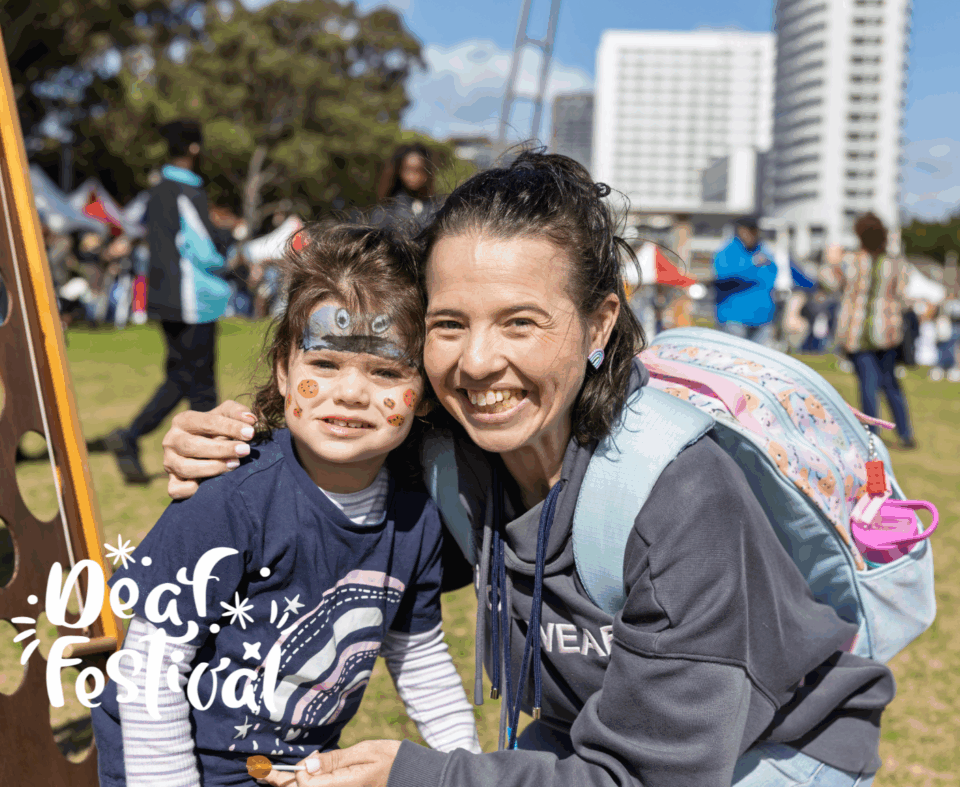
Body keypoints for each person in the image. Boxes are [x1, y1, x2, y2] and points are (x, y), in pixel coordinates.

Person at [160, 152, 893, 787]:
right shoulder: (450, 456)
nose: (478, 362)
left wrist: (421, 775)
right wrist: (238, 446)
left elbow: (646, 777)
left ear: (600, 323)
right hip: (588, 739)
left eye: (520, 322)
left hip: (761, 756)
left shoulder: (682, 500)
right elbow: (329, 477)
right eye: (450, 324)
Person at [91, 223, 481, 787]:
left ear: (423, 393)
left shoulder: (417, 516)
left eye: (386, 372)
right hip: (178, 766)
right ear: (282, 370)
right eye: (324, 364)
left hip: (295, 771)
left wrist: (468, 770)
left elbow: (419, 658)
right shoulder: (230, 497)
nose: (351, 392)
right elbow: (151, 666)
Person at [106, 120, 241, 483]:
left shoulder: (155, 191)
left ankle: (194, 457)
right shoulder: (186, 190)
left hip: (165, 296)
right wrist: (229, 254)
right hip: (193, 297)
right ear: (194, 148)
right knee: (199, 382)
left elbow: (132, 227)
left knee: (186, 378)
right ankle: (137, 437)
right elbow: (205, 248)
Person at [820, 213, 916, 449]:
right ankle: (905, 434)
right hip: (888, 332)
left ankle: (872, 436)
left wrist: (830, 262)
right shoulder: (895, 264)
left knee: (868, 384)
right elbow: (904, 296)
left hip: (857, 332)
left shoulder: (851, 261)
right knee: (890, 384)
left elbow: (830, 284)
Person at [712, 216, 778, 345]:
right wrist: (752, 264)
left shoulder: (764, 251)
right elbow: (723, 275)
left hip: (762, 318)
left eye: (754, 230)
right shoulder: (727, 251)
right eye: (748, 230)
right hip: (734, 318)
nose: (751, 234)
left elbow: (772, 277)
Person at [372, 144, 439, 233]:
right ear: (399, 171)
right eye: (407, 170)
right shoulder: (386, 210)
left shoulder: (437, 209)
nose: (412, 176)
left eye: (418, 170)